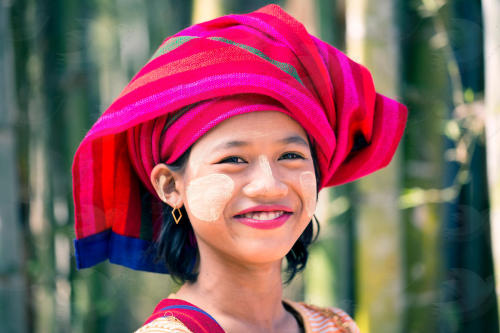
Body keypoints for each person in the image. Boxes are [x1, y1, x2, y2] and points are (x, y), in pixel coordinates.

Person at [72, 4, 407, 332]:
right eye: (233, 160)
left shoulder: (336, 326)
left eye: (290, 156)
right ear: (170, 186)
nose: (269, 185)